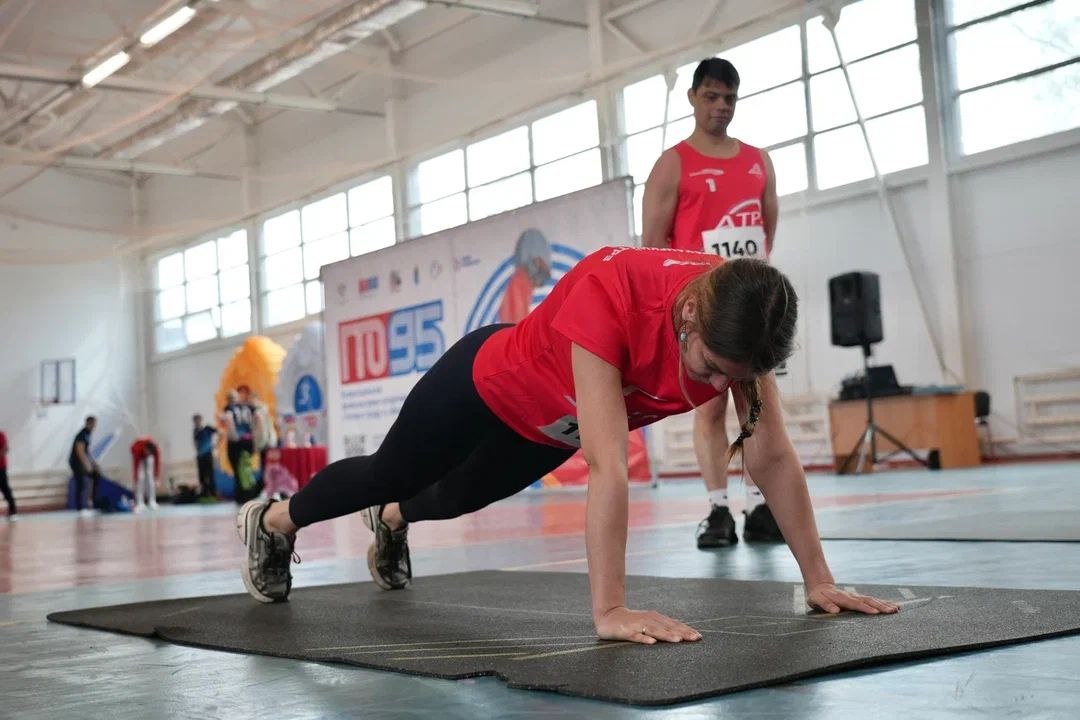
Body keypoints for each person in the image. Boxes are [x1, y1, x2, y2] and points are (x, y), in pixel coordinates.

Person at [237, 246, 899, 643]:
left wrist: (819, 580)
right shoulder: (613, 294)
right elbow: (609, 469)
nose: (726, 388)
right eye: (714, 372)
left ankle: (391, 524)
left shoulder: (737, 319)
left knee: (454, 498)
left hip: (551, 424)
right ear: (689, 316)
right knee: (391, 471)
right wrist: (609, 609)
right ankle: (271, 522)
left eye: (739, 378)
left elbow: (772, 452)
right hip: (485, 382)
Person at [641, 57, 782, 549]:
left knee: (759, 409)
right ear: (693, 98)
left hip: (750, 305)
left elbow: (765, 232)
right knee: (709, 407)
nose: (721, 107)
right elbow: (652, 247)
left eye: (729, 99)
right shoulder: (673, 164)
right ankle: (719, 510)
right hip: (701, 309)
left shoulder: (758, 160)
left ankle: (765, 506)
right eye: (711, 97)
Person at [223, 387, 260, 504]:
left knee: (239, 470)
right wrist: (255, 439)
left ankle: (243, 496)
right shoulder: (248, 408)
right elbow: (257, 419)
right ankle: (249, 494)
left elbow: (229, 421)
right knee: (246, 468)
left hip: (237, 442)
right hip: (248, 441)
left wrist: (235, 437)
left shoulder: (230, 409)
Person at [69, 416, 99, 513]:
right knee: (80, 482)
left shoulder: (88, 434)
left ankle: (93, 502)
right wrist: (87, 465)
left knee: (96, 475)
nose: (95, 426)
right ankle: (80, 508)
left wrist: (93, 463)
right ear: (88, 423)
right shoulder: (82, 434)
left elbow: (87, 451)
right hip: (76, 462)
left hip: (82, 461)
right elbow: (80, 451)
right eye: (93, 424)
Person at [129, 437, 161, 512]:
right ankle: (140, 502)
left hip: (145, 451)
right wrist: (135, 480)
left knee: (150, 476)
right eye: (148, 453)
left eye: (150, 454)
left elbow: (157, 464)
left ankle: (152, 501)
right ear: (145, 449)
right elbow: (135, 467)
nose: (148, 455)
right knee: (141, 478)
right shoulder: (137, 450)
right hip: (138, 454)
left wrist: (157, 477)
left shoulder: (156, 450)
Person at [192, 414, 217, 499]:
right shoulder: (195, 431)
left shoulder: (208, 428)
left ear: (201, 420)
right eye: (195, 421)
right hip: (200, 456)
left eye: (198, 420)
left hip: (208, 455)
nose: (196, 422)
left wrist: (215, 445)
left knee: (210, 474)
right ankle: (204, 493)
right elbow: (195, 443)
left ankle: (213, 493)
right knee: (202, 476)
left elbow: (219, 432)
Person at [0, 429, 16, 521]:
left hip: (1, 467)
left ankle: (13, 511)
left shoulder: (1, 435)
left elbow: (5, 449)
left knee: (5, 489)